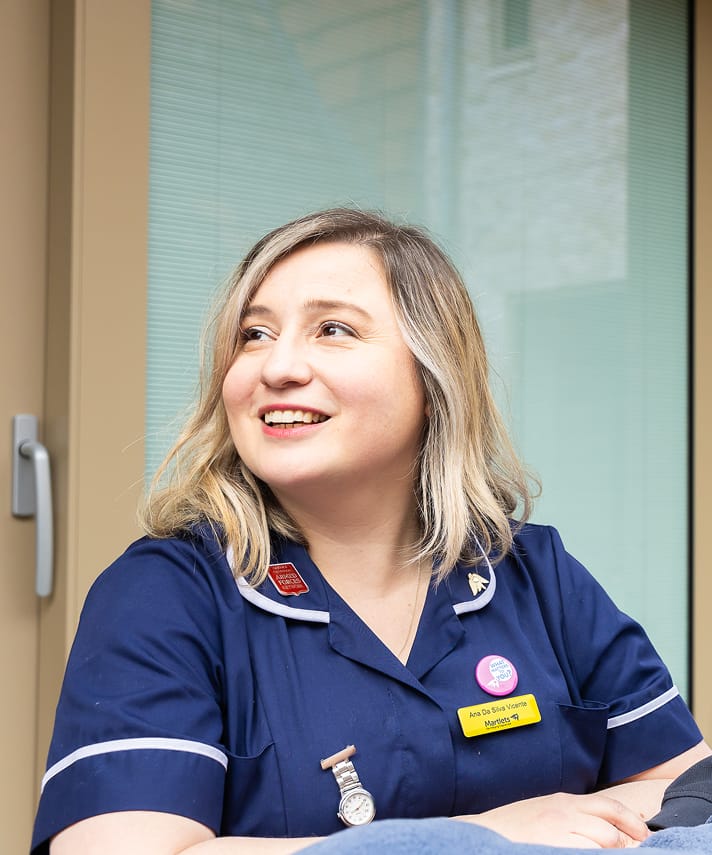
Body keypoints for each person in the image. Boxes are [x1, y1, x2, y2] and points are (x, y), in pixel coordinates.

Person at [32, 208, 710, 854]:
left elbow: (689, 789)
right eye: (253, 334)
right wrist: (491, 838)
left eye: (332, 329)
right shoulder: (164, 595)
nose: (277, 367)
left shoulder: (536, 574)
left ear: (433, 376)